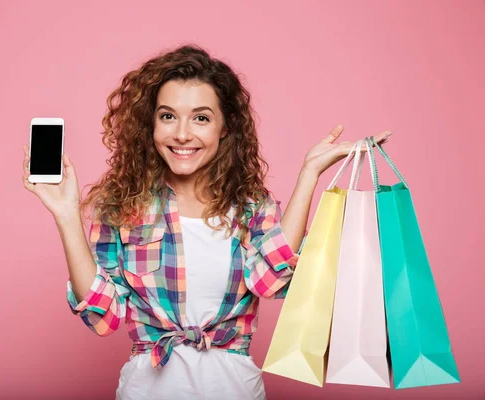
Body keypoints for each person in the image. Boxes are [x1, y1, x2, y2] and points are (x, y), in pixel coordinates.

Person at [21, 44, 391, 400]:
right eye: (168, 116)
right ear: (150, 125)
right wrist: (67, 215)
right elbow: (105, 318)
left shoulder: (249, 206)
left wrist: (309, 174)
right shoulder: (120, 208)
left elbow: (271, 280)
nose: (182, 134)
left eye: (201, 117)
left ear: (225, 127)